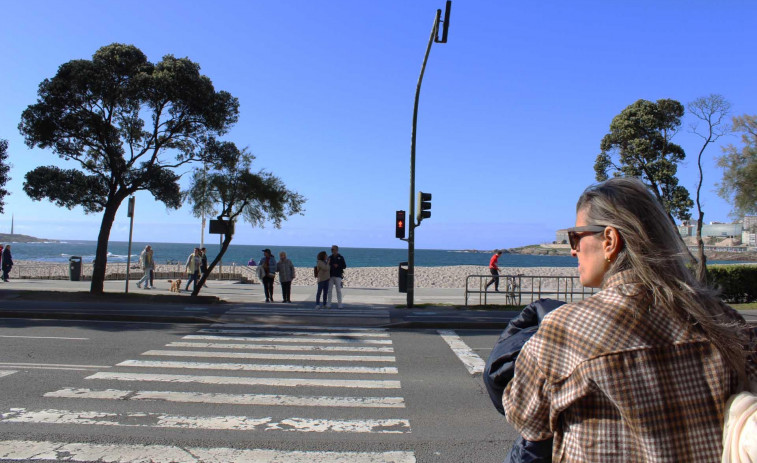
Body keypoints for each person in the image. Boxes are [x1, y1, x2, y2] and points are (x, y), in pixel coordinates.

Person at [503, 178, 757, 462]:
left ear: (609, 241)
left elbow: (527, 420)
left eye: (575, 237)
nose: (573, 250)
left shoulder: (568, 328)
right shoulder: (726, 321)